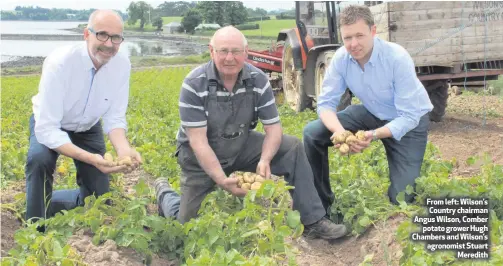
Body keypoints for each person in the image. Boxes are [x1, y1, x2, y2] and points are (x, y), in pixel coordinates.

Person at [155, 26, 348, 240]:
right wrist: (220, 179)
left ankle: (312, 219)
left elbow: (273, 128)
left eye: (236, 51)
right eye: (223, 51)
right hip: (198, 156)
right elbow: (198, 142)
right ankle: (164, 193)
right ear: (212, 51)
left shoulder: (257, 80)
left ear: (246, 52)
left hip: (240, 145)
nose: (230, 58)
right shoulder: (194, 83)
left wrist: (265, 159)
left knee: (292, 147)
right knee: (186, 228)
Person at [303, 5, 433, 212]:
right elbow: (326, 103)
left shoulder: (396, 57)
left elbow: (409, 116)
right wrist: (340, 132)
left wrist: (372, 135)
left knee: (402, 199)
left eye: (359, 36)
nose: (353, 44)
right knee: (312, 133)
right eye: (347, 38)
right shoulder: (341, 59)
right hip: (372, 112)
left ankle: (399, 192)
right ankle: (321, 206)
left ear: (373, 31)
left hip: (409, 122)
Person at [25, 9, 142, 230]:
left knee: (98, 197)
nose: (109, 44)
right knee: (39, 160)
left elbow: (114, 117)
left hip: (88, 127)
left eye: (116, 37)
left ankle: (40, 200)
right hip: (51, 122)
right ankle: (35, 227)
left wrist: (124, 150)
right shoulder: (60, 63)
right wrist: (91, 158)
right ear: (86, 34)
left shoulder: (122, 64)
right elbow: (48, 128)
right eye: (102, 35)